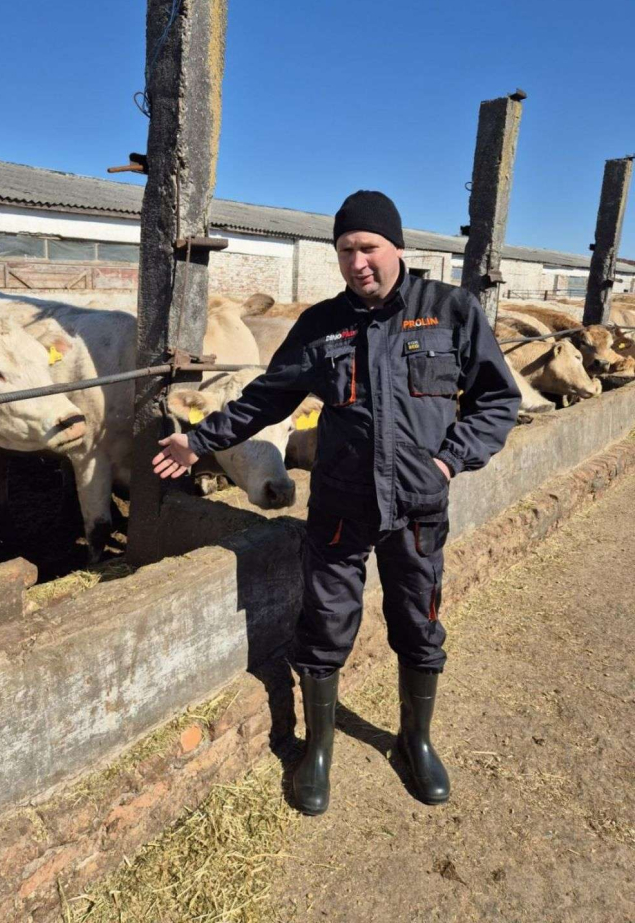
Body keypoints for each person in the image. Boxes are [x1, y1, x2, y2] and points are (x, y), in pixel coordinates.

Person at [152, 190, 521, 815]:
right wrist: (198, 440)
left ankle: (414, 740)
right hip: (341, 504)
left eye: (368, 248)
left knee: (419, 622)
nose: (357, 262)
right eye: (345, 251)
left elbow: (497, 400)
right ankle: (316, 750)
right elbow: (266, 398)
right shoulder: (322, 324)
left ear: (397, 246)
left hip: (418, 507)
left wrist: (447, 461)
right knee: (325, 624)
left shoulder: (449, 310)